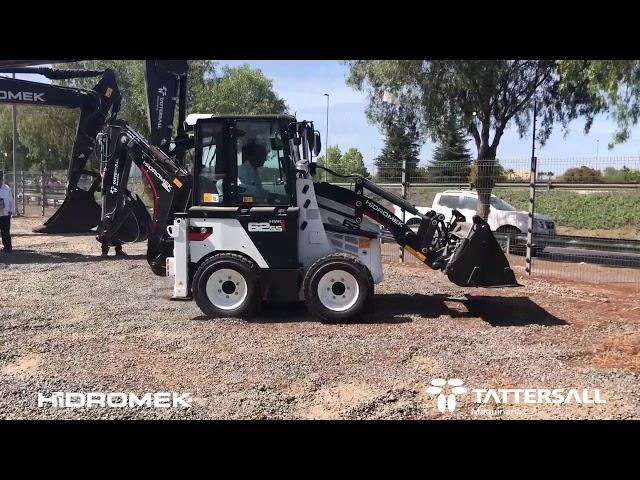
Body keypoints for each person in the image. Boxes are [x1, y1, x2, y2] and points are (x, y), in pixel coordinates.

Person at [0, 170, 16, 253]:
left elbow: (11, 200)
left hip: (5, 213)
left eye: (0, 177)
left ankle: (7, 247)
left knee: (5, 231)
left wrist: (11, 210)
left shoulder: (6, 188)